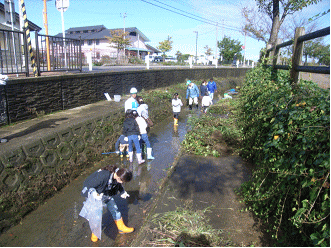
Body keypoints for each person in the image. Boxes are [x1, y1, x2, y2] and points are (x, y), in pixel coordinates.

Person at [79, 165, 134, 242]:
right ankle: (95, 234)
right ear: (119, 176)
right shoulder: (104, 175)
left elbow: (119, 184)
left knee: (115, 209)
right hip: (95, 195)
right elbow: (88, 185)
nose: (122, 183)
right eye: (122, 181)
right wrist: (94, 193)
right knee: (96, 215)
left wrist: (122, 192)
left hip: (106, 194)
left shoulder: (117, 176)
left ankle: (121, 228)